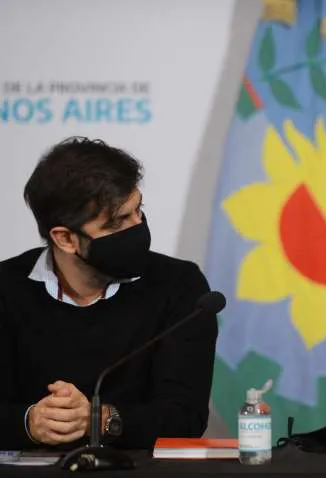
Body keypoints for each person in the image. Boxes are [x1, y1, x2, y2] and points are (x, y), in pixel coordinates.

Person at [0, 138, 218, 450]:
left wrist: (99, 419)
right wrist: (30, 422)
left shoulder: (179, 285)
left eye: (138, 210)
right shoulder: (7, 289)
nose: (138, 226)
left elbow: (185, 418)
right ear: (65, 239)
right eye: (118, 222)